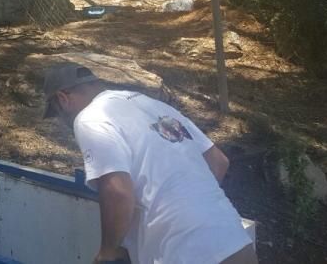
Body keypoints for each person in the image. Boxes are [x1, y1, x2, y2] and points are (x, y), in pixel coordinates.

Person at [40, 62, 257, 264]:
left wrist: (108, 252)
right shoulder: (153, 105)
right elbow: (218, 162)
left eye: (58, 114)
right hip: (235, 241)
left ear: (63, 99)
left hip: (183, 252)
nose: (63, 121)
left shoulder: (89, 118)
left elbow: (118, 192)